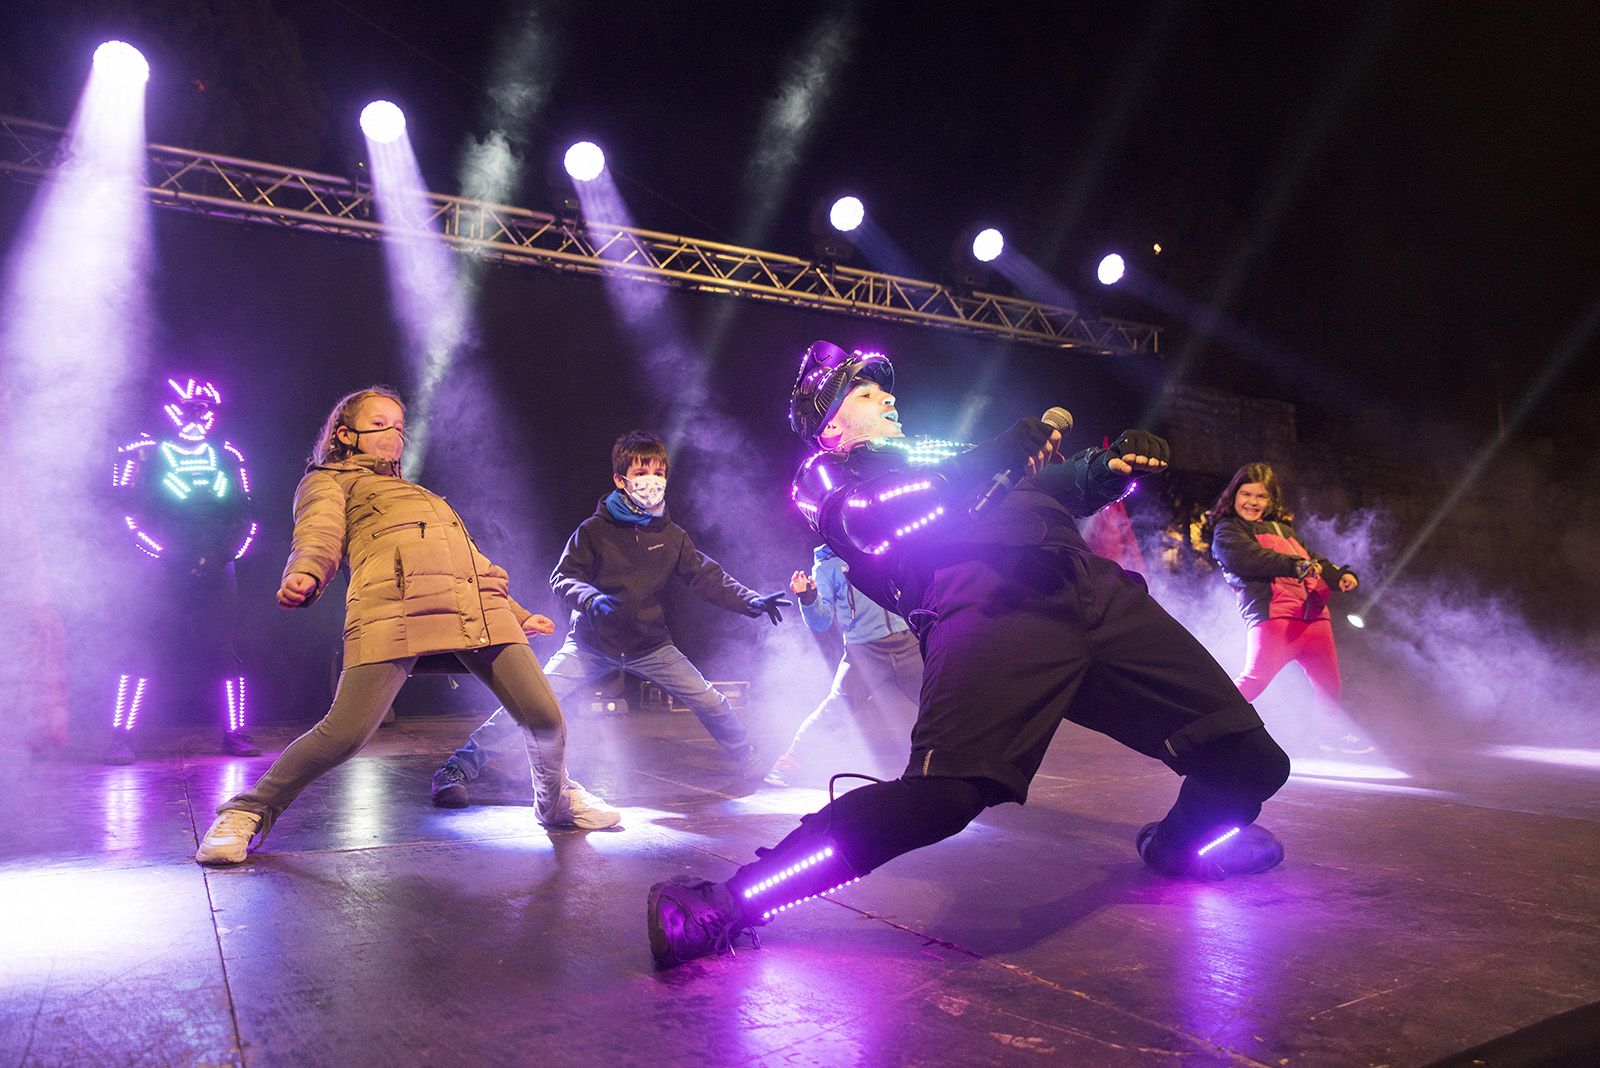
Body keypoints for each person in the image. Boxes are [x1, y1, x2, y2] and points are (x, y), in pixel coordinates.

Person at [645, 341, 1292, 967]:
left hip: (1094, 592)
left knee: (1253, 764)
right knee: (945, 796)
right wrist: (987, 461)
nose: (888, 399)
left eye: (886, 391)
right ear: (831, 428)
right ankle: (729, 903)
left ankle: (1179, 846)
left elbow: (1054, 482)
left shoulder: (947, 455)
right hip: (988, 605)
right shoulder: (825, 475)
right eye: (865, 395)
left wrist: (1109, 468)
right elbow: (870, 519)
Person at [194, 386, 618, 866]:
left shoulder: (424, 496)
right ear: (344, 434)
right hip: (393, 609)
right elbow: (318, 534)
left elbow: (471, 562)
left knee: (545, 717)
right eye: (379, 424)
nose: (393, 434)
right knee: (344, 734)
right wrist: (306, 574)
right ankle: (247, 811)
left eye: (398, 425)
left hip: (480, 611)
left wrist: (518, 613)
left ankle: (556, 800)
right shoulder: (328, 482)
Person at [429, 430, 790, 806]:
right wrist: (590, 598)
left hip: (651, 646)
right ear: (621, 479)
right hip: (590, 645)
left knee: (710, 701)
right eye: (642, 472)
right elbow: (562, 577)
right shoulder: (593, 531)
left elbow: (706, 576)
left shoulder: (672, 536)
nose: (652, 481)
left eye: (659, 473)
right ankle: (456, 769)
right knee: (529, 702)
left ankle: (747, 758)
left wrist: (750, 600)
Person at [106, 376, 259, 763]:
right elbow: (126, 515)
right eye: (189, 409)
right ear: (170, 409)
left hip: (217, 565)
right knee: (141, 649)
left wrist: (220, 555)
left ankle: (234, 733)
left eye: (205, 410)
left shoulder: (228, 456)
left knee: (225, 651)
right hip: (160, 567)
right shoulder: (142, 455)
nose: (198, 418)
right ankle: (121, 736)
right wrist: (168, 553)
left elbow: (245, 515)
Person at [1205, 462, 1369, 754]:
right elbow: (1250, 559)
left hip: (1314, 616)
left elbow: (1313, 559)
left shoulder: (1284, 530)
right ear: (1233, 495)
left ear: (1271, 500)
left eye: (1261, 496)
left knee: (1329, 683)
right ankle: (1206, 725)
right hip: (1274, 617)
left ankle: (1330, 735)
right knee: (1254, 680)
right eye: (1246, 494)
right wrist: (1295, 566)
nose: (1253, 502)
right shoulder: (1228, 530)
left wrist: (1338, 575)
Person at [764, 545, 922, 787]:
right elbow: (821, 622)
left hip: (909, 644)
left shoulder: (884, 548)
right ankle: (789, 762)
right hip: (864, 653)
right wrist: (808, 597)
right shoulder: (827, 566)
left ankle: (973, 754)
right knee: (836, 709)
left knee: (940, 701)